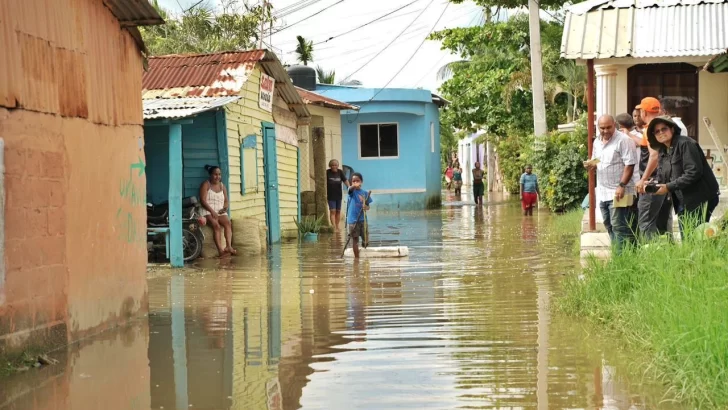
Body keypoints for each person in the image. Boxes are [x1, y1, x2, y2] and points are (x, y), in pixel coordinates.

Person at [646, 116, 720, 237]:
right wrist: (651, 183)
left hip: (699, 198)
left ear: (672, 129)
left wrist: (668, 187)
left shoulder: (685, 143)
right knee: (688, 236)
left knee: (696, 237)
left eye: (663, 129)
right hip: (682, 199)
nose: (661, 133)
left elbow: (693, 172)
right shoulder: (663, 150)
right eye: (657, 131)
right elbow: (663, 176)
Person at [584, 115, 638, 253]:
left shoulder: (624, 140)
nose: (605, 131)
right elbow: (598, 159)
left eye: (609, 127)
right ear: (598, 127)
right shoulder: (597, 141)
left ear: (615, 125)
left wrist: (621, 185)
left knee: (620, 226)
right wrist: (591, 164)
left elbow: (630, 164)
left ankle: (625, 257)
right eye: (602, 128)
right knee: (608, 225)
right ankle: (618, 254)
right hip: (602, 192)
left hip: (619, 191)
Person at [635, 97, 674, 239]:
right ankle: (668, 254)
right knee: (664, 220)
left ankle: (649, 255)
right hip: (666, 180)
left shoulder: (649, 129)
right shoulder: (665, 127)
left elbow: (654, 156)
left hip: (652, 181)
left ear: (644, 112)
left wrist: (643, 179)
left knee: (646, 222)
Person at [199, 165, 236, 256]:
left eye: (219, 174)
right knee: (216, 226)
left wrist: (225, 208)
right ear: (210, 175)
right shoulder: (206, 184)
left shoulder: (222, 186)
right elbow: (203, 201)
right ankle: (220, 250)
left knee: (228, 223)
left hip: (219, 211)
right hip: (207, 210)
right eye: (215, 174)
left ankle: (228, 247)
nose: (218, 177)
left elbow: (226, 201)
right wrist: (212, 211)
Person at [346, 173, 373, 258]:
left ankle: (364, 250)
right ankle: (356, 259)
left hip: (363, 219)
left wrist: (366, 207)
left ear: (361, 182)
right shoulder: (351, 192)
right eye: (353, 181)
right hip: (353, 220)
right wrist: (353, 186)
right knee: (355, 239)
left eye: (357, 181)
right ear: (351, 182)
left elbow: (368, 206)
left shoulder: (365, 193)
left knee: (366, 239)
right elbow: (349, 189)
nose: (355, 182)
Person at [327, 159, 350, 230]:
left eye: (335, 165)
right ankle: (333, 226)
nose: (334, 166)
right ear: (330, 166)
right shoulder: (327, 172)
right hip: (330, 195)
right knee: (332, 211)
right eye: (332, 165)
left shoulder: (340, 172)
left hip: (338, 194)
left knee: (338, 211)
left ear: (338, 166)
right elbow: (321, 180)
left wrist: (349, 187)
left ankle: (337, 226)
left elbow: (345, 180)